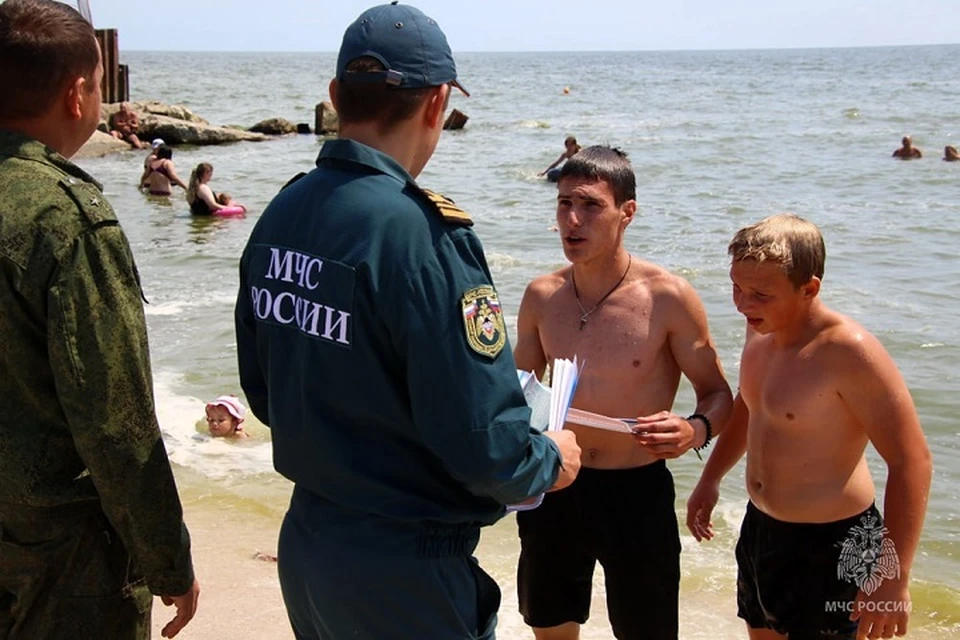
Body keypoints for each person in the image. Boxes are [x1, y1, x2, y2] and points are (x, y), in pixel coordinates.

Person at [234, 4, 582, 639]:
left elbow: (264, 391)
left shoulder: (283, 211)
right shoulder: (424, 237)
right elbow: (485, 443)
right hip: (404, 572)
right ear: (438, 104)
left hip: (310, 544)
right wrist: (548, 459)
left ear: (337, 96)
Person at [0, 1, 200, 638]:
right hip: (62, 551)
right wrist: (168, 560)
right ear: (78, 93)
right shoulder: (64, 218)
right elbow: (115, 420)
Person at [513, 145, 733, 640]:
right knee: (549, 627)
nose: (573, 218)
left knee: (647, 631)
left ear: (626, 212)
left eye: (590, 205)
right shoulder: (541, 295)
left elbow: (719, 395)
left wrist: (694, 429)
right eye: (564, 203)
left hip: (636, 491)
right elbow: (518, 395)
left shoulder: (668, 297)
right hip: (554, 483)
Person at [686, 214, 932, 639]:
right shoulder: (761, 331)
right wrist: (710, 479)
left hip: (834, 546)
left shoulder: (847, 352)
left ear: (810, 288)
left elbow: (913, 461)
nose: (743, 305)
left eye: (761, 294)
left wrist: (894, 576)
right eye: (737, 288)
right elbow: (752, 406)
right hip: (761, 530)